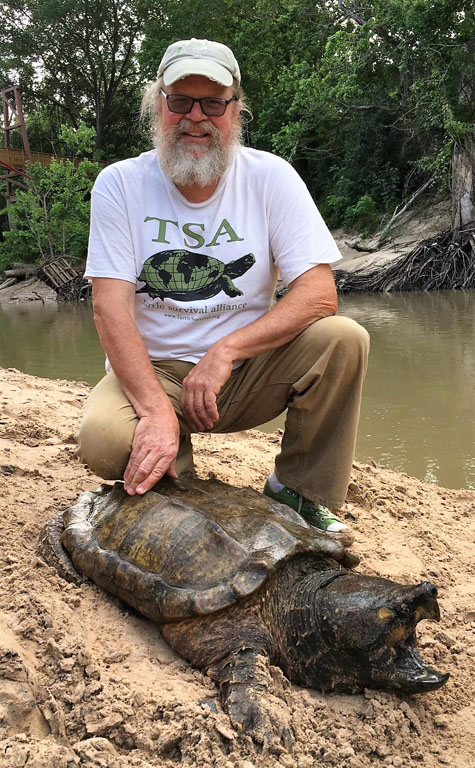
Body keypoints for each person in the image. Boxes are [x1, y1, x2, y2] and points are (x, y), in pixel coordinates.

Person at [77, 37, 369, 543]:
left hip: (244, 372)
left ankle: (297, 488)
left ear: (236, 110)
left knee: (344, 338)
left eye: (213, 103)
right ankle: (172, 461)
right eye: (180, 102)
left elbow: (320, 293)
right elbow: (109, 308)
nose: (196, 117)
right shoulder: (119, 184)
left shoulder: (271, 177)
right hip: (158, 371)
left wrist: (227, 350)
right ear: (157, 104)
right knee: (104, 441)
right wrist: (151, 409)